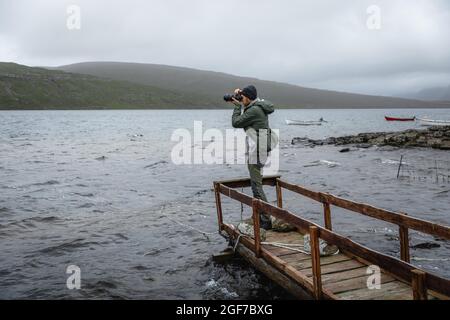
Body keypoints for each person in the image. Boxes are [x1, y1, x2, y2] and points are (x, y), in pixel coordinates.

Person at [228, 85, 275, 230]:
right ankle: (262, 216)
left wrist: (237, 106)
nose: (241, 99)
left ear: (248, 97)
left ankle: (266, 219)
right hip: (261, 148)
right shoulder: (258, 105)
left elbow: (236, 122)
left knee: (256, 185)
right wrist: (241, 97)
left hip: (257, 150)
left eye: (243, 97)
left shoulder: (254, 110)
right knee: (257, 183)